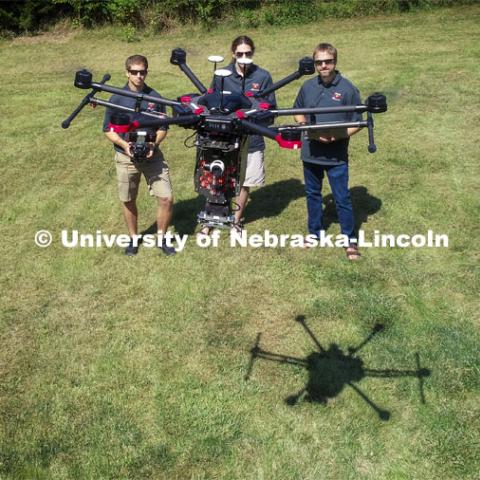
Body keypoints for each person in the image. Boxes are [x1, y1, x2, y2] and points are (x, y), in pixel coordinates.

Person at [294, 43, 362, 260]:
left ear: (335, 62)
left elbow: (358, 122)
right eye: (319, 62)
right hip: (311, 152)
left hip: (336, 154)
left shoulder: (348, 89)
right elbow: (297, 112)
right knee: (312, 194)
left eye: (328, 61)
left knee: (342, 197)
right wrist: (305, 127)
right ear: (315, 64)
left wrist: (337, 136)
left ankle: (349, 240)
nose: (323, 66)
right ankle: (314, 233)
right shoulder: (307, 87)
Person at [103, 54, 176, 256]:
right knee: (128, 199)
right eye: (134, 72)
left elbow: (163, 126)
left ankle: (162, 238)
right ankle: (134, 239)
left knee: (166, 198)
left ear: (146, 72)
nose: (138, 76)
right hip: (126, 156)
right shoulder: (116, 97)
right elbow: (108, 129)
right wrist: (124, 144)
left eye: (142, 72)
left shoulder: (155, 97)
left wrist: (154, 143)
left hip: (152, 155)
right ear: (127, 72)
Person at [208, 35, 276, 233]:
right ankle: (213, 219)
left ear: (253, 53)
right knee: (217, 177)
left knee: (246, 181)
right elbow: (212, 101)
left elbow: (271, 110)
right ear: (233, 54)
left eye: (248, 53)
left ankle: (235, 220)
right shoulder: (222, 74)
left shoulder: (263, 77)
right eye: (240, 54)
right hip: (224, 137)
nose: (244, 57)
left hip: (252, 138)